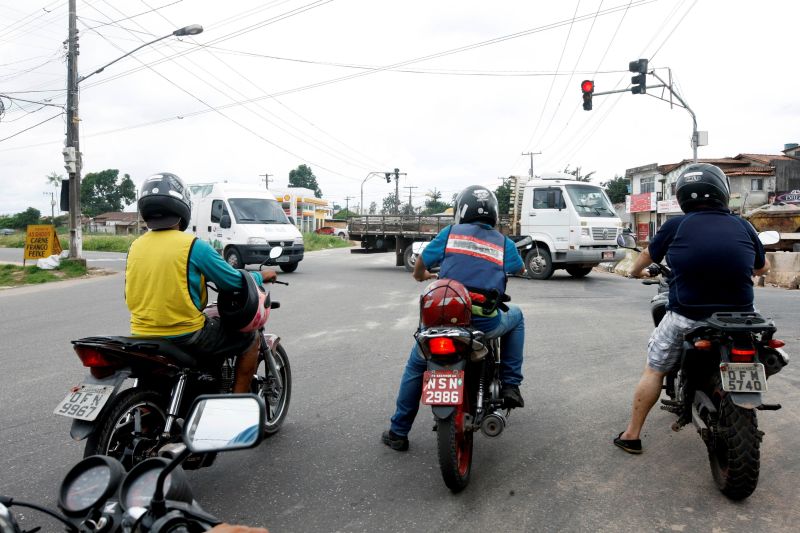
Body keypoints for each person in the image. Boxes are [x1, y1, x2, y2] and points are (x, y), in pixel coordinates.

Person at [614, 163, 770, 454]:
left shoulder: (676, 225)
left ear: (682, 195)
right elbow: (763, 267)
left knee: (655, 368)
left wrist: (635, 272)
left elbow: (647, 254)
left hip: (688, 316)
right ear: (722, 191)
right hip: (742, 318)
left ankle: (632, 435)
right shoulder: (743, 225)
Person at [381, 185, 527, 451]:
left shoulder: (449, 234)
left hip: (445, 320)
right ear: (493, 214)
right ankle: (511, 384)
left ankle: (398, 432)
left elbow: (421, 263)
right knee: (516, 316)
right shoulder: (503, 242)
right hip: (485, 321)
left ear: (461, 211)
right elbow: (519, 268)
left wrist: (422, 277)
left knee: (417, 365)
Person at [125, 173, 277, 393]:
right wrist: (260, 276)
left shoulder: (135, 247)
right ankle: (237, 406)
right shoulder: (193, 245)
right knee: (249, 339)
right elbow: (234, 281)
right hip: (186, 335)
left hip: (140, 334)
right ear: (182, 208)